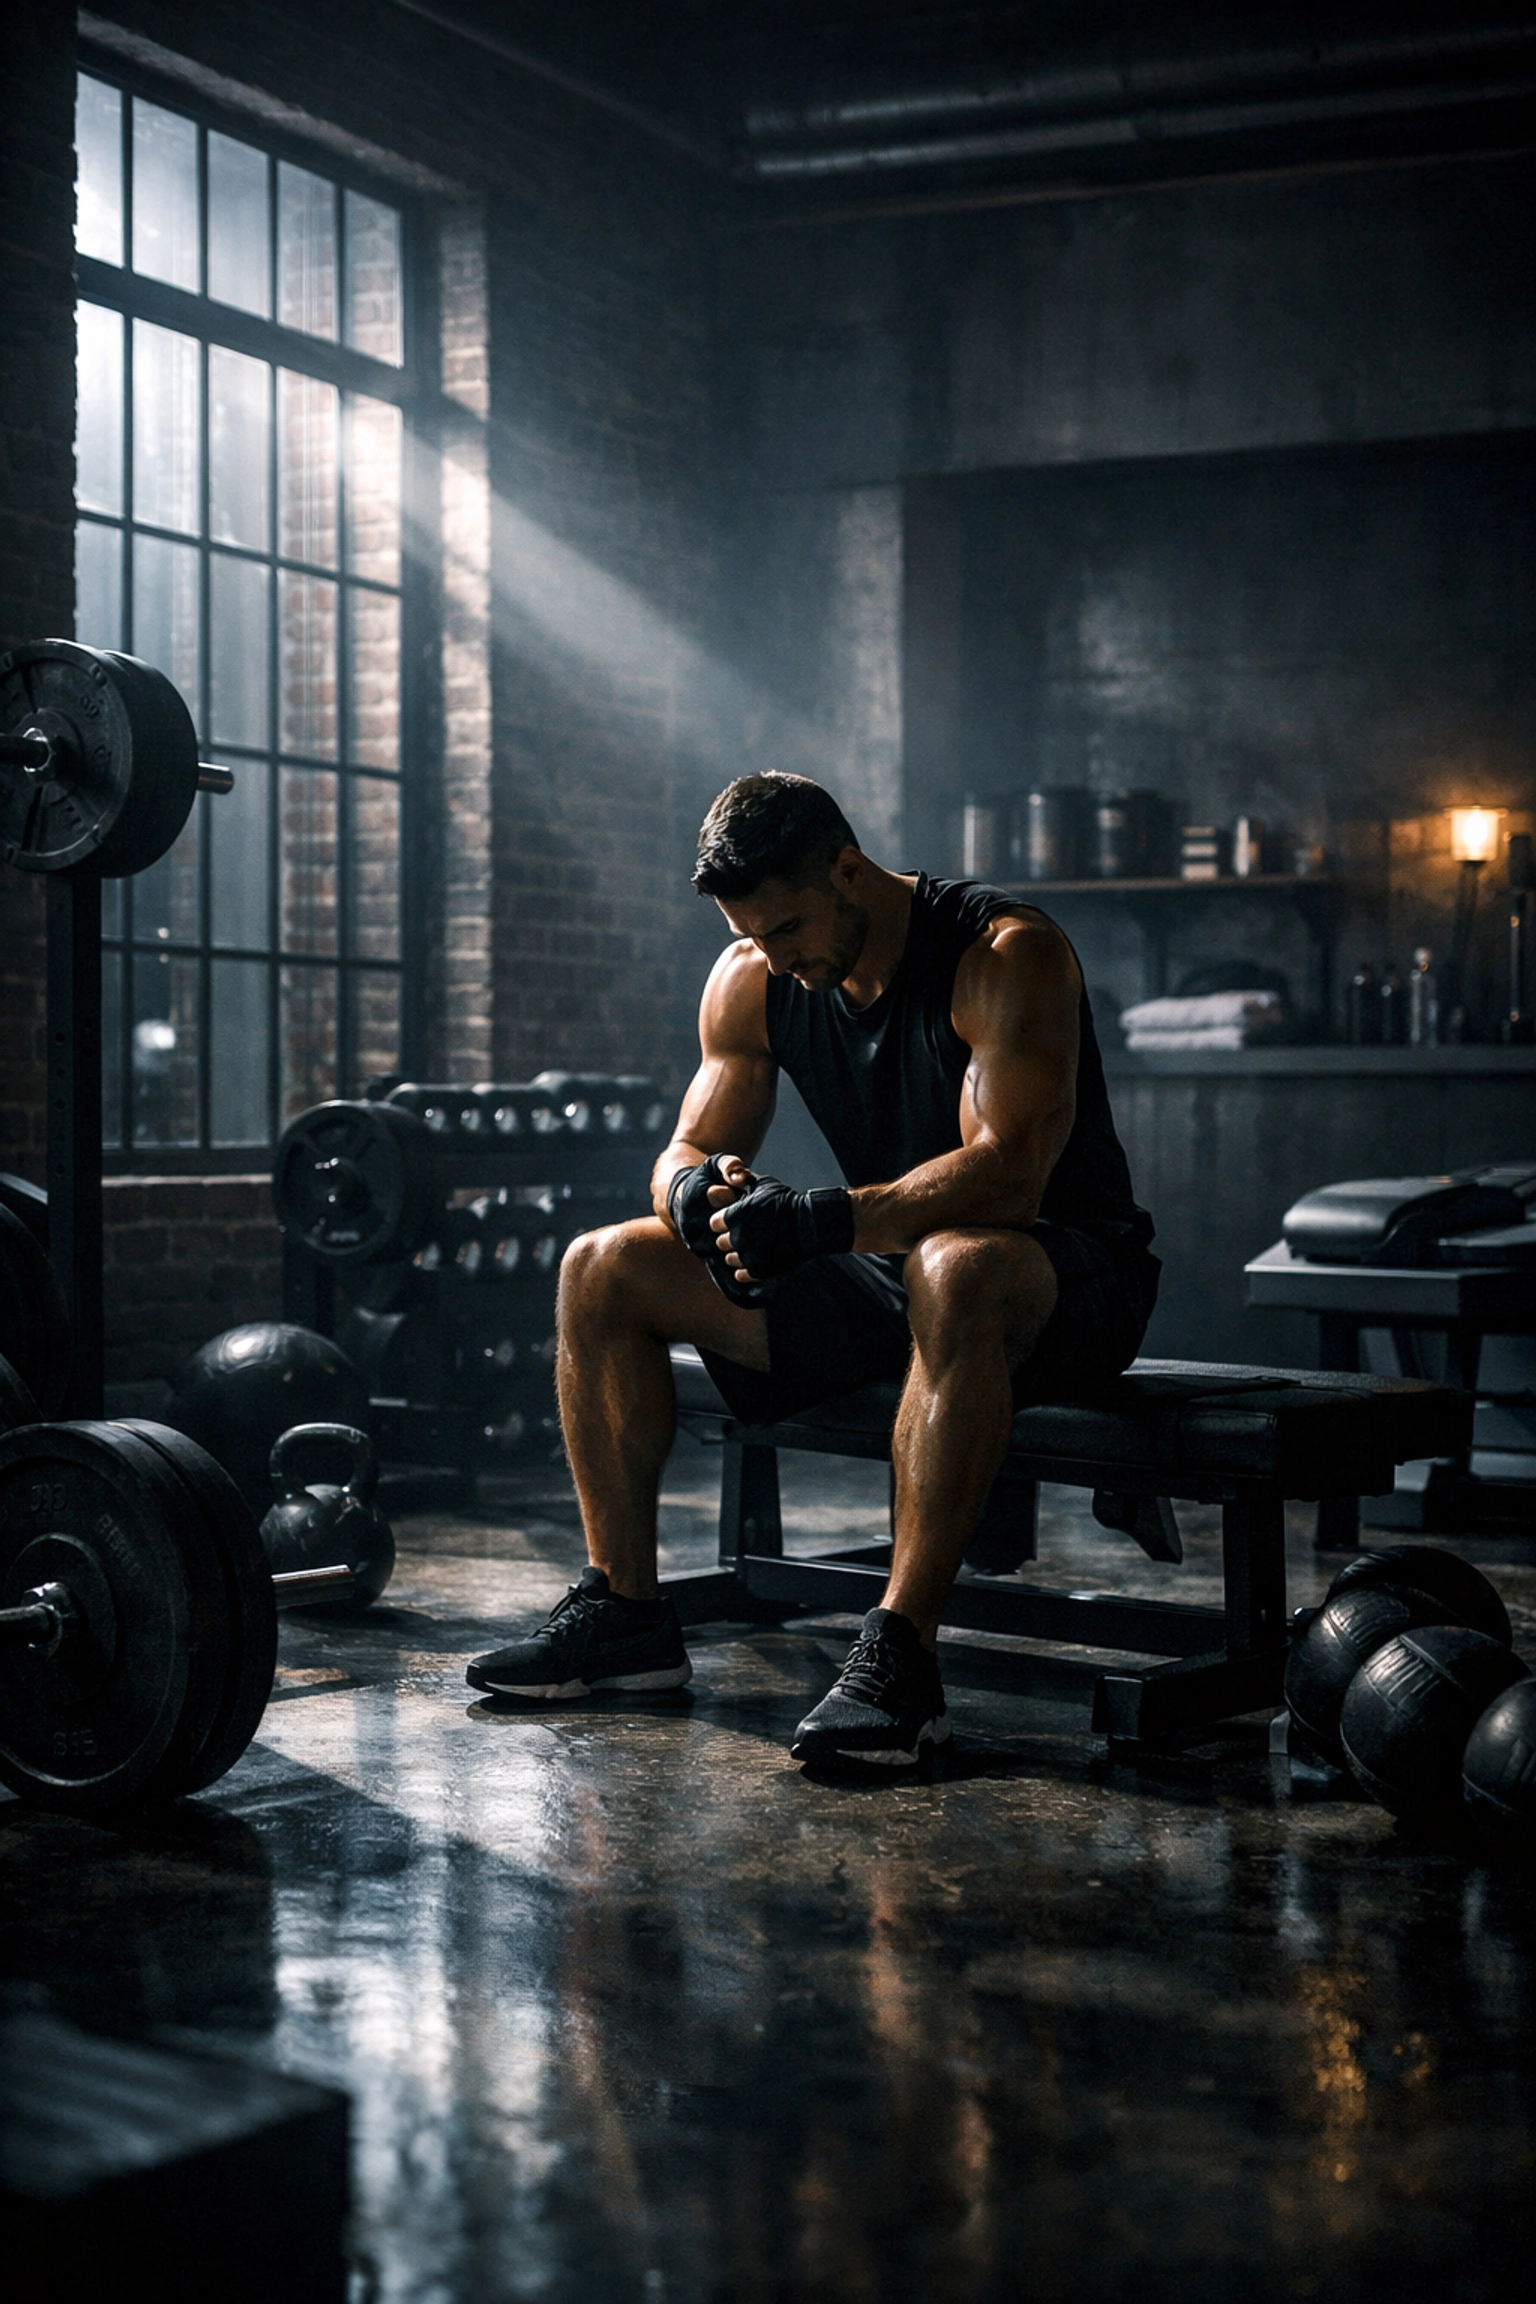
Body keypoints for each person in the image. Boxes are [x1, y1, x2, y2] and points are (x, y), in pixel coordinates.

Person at [467, 773, 1158, 1765]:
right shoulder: (753, 972)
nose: (778, 960)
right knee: (602, 1266)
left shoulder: (1004, 955)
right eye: (755, 935)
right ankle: (626, 1615)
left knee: (957, 1267)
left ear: (847, 871)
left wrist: (819, 1219)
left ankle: (902, 1656)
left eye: (789, 929)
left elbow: (1007, 1180)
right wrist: (694, 1198)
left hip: (1067, 1278)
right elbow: (682, 1146)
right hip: (894, 1270)